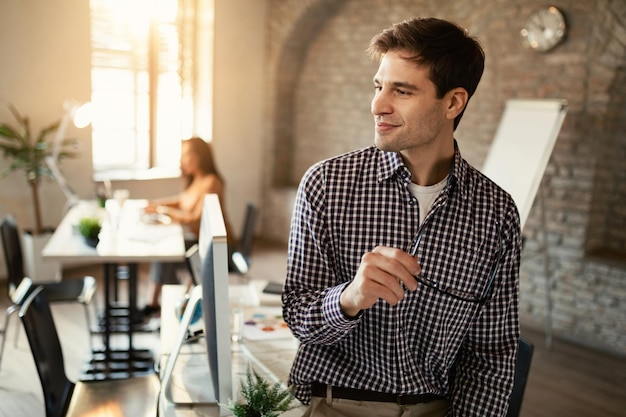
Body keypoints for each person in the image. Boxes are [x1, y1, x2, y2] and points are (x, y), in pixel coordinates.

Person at [282, 17, 521, 417]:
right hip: (335, 404)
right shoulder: (326, 184)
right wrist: (349, 298)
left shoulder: (496, 213)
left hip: (436, 409)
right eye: (379, 86)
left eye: (402, 90)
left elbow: (491, 354)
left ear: (453, 102)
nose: (378, 104)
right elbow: (298, 316)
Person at [142, 137, 236, 316]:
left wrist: (163, 210)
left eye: (186, 155)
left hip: (219, 249)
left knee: (166, 252)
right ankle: (156, 305)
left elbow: (195, 219)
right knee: (164, 249)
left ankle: (161, 306)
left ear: (199, 156)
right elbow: (181, 201)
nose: (181, 159)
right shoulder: (196, 181)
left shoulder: (211, 182)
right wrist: (156, 204)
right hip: (200, 243)